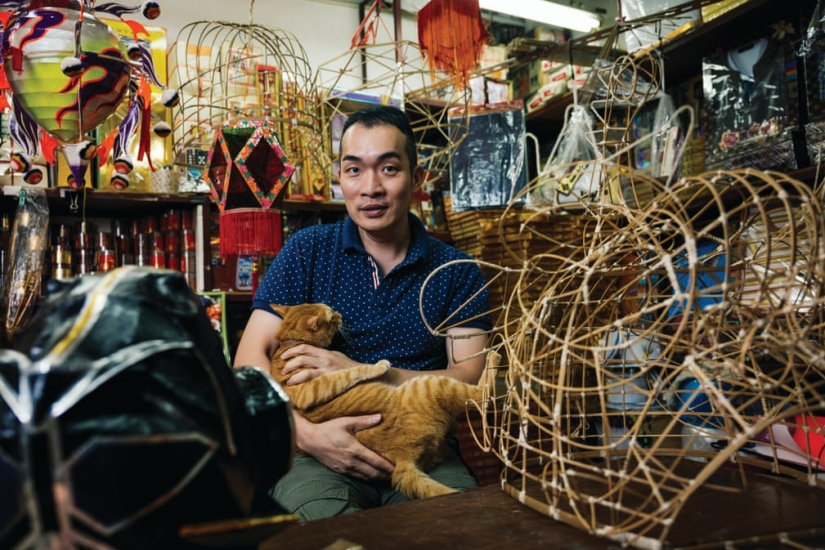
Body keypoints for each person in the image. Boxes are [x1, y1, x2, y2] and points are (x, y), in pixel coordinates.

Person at [234, 104, 492, 521]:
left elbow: (466, 380)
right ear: (340, 178)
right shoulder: (307, 251)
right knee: (322, 525)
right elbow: (248, 362)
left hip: (419, 448)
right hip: (315, 451)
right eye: (354, 170)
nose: (369, 187)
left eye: (388, 169)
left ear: (417, 178)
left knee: (460, 528)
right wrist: (307, 435)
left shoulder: (456, 271)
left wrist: (365, 369)